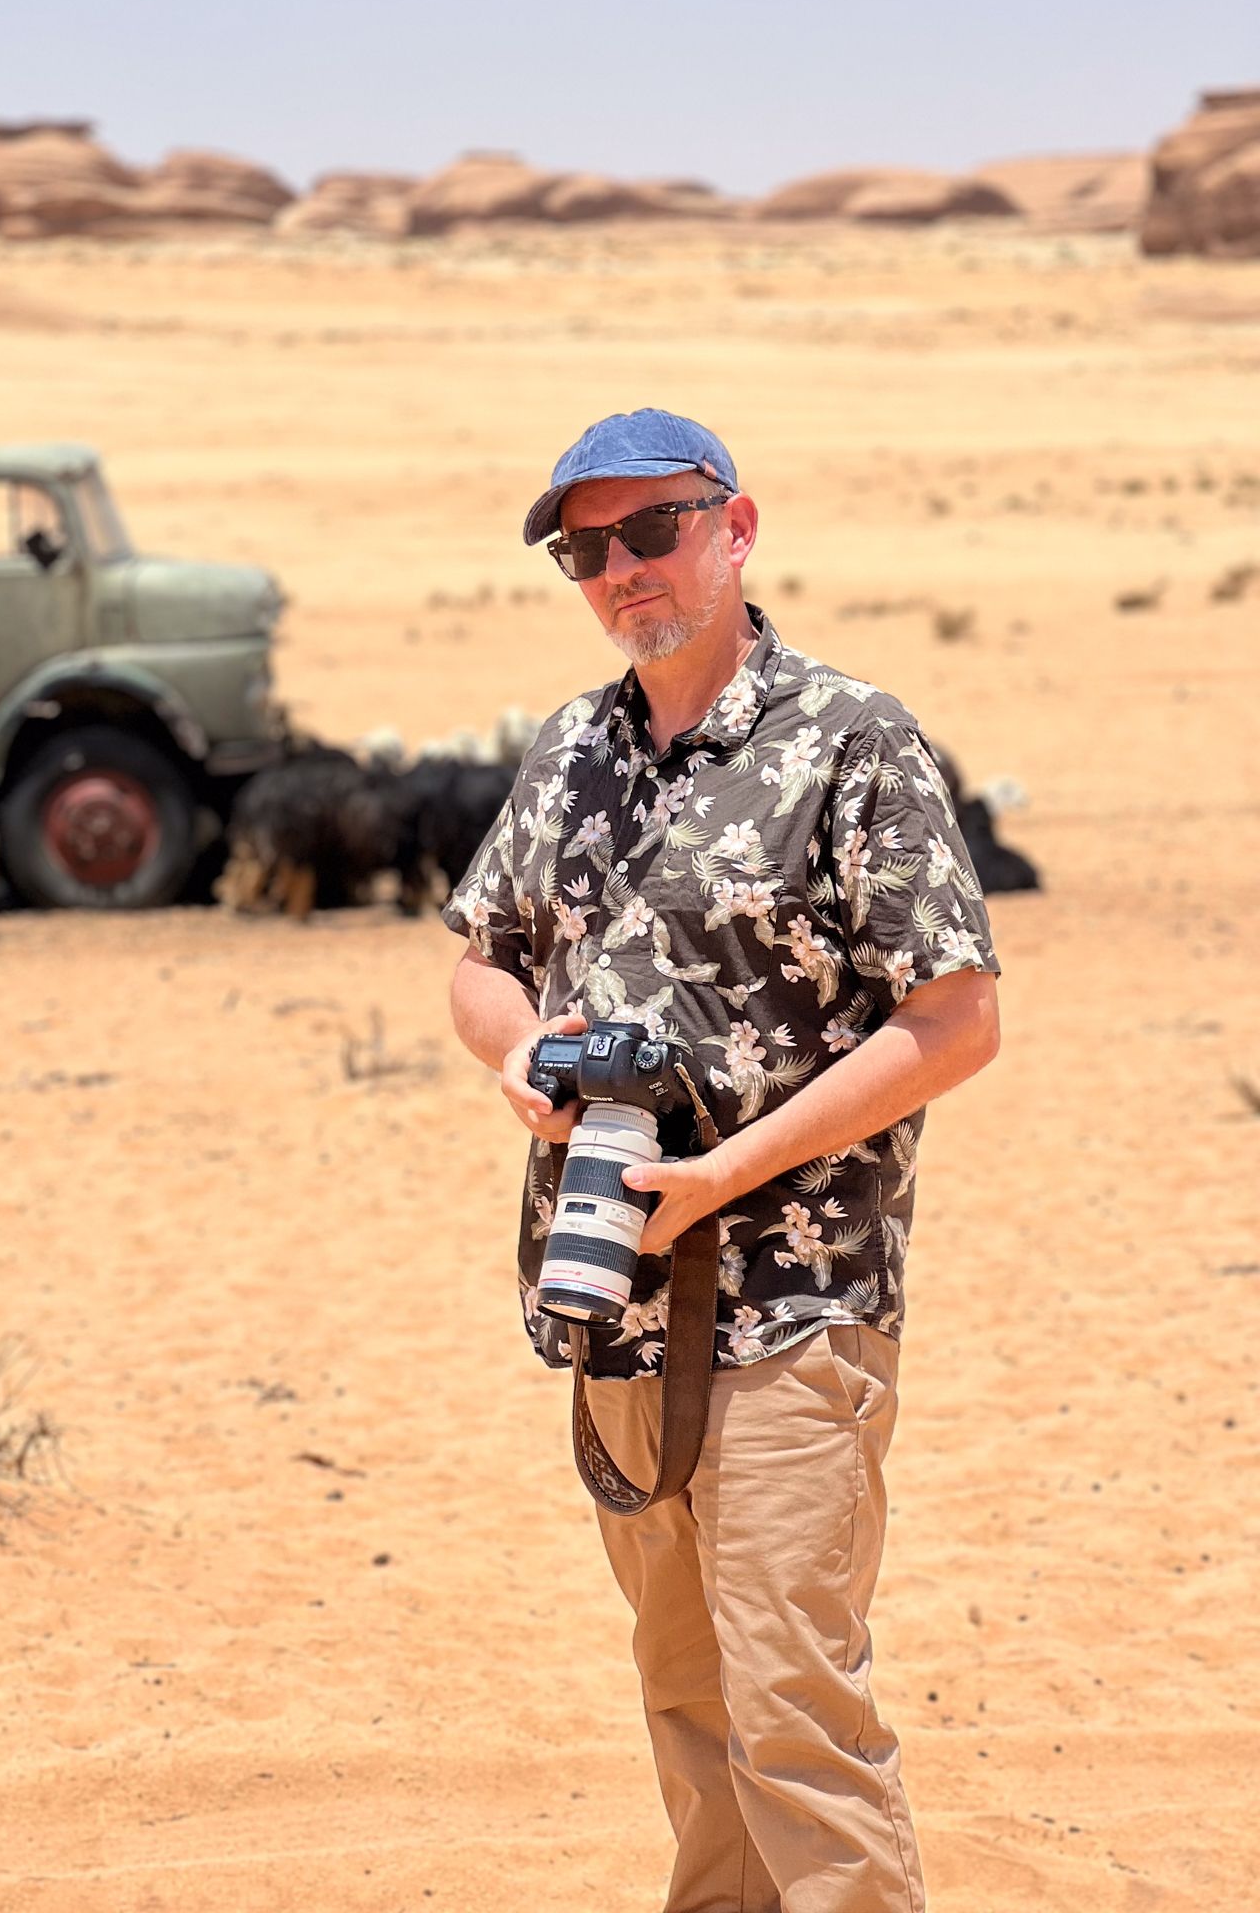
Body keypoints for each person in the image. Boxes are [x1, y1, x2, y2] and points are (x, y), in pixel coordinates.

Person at [443, 409, 1001, 1913]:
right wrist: (519, 1053)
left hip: (792, 1312)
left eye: (653, 530)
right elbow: (482, 959)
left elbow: (956, 1021)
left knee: (795, 1712)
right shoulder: (571, 750)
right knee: (688, 1705)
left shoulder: (851, 740)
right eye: (587, 550)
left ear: (736, 529)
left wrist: (728, 1170)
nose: (622, 569)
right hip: (611, 1300)